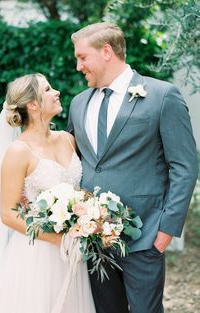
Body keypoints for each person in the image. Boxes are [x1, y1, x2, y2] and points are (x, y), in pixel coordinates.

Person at [68, 22, 199, 313]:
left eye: (82, 57)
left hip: (145, 235)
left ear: (106, 52)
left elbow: (184, 165)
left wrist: (167, 228)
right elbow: (73, 162)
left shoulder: (162, 96)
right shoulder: (77, 104)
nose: (78, 66)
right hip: (93, 240)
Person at [0, 73, 96, 313]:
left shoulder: (68, 140)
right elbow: (8, 213)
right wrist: (58, 239)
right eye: (48, 89)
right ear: (33, 105)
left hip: (72, 252)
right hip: (36, 255)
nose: (56, 92)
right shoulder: (18, 152)